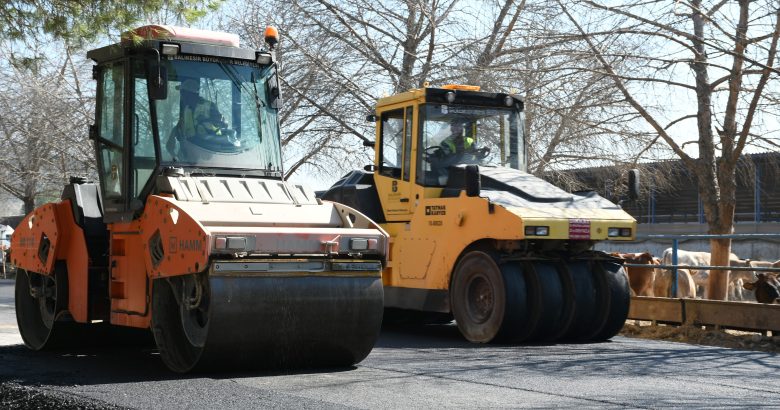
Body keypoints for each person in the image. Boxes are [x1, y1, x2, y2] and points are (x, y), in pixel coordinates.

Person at [167, 78, 232, 157]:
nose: (182, 95)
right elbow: (181, 127)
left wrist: (206, 123)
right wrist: (173, 135)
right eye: (182, 93)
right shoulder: (186, 109)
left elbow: (223, 124)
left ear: (191, 94)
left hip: (208, 153)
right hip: (190, 154)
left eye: (183, 92)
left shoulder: (209, 106)